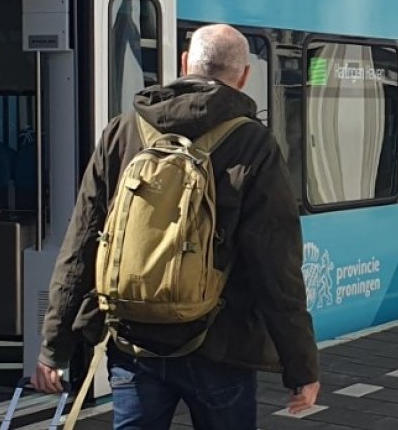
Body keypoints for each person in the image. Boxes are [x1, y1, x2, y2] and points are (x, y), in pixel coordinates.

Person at [33, 24, 320, 428]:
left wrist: (53, 348)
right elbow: (277, 267)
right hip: (221, 346)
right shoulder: (254, 144)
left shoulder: (124, 130)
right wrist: (301, 367)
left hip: (134, 345)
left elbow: (82, 241)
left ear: (184, 64)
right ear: (243, 76)